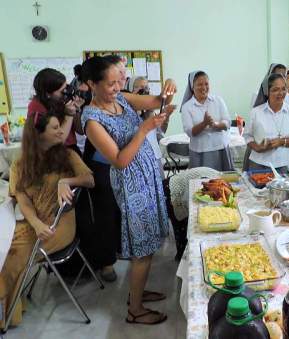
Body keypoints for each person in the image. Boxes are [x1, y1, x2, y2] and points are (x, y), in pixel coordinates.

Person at [81, 56, 176, 325]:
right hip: (132, 184)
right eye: (111, 83)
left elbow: (158, 101)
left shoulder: (121, 98)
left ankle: (138, 291)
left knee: (149, 240)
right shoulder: (91, 121)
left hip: (147, 175)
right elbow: (120, 160)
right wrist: (144, 129)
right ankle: (135, 309)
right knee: (142, 248)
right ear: (91, 84)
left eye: (119, 81)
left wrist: (168, 88)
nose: (117, 87)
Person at [0, 110, 94, 330]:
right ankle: (9, 310)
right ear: (38, 135)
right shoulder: (21, 163)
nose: (61, 131)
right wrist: (35, 223)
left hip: (59, 226)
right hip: (35, 223)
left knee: (12, 258)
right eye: (55, 128)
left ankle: (4, 316)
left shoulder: (67, 156)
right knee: (4, 250)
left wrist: (66, 181)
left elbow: (89, 180)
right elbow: (22, 200)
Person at [244, 73, 289, 170]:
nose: (280, 93)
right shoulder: (256, 112)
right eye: (275, 90)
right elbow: (247, 136)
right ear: (267, 92)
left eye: (283, 89)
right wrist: (257, 147)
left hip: (286, 164)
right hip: (259, 164)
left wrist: (282, 142)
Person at [163, 167, 220, 260]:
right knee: (181, 227)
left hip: (176, 187)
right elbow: (188, 198)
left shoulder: (215, 176)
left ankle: (183, 256)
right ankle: (183, 258)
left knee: (183, 226)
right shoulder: (208, 181)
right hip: (170, 190)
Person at [181, 70, 234, 171]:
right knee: (202, 183)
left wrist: (216, 125)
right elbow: (189, 132)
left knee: (224, 183)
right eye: (199, 84)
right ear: (192, 87)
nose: (204, 87)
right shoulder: (187, 107)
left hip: (220, 149)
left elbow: (228, 122)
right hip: (200, 152)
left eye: (206, 84)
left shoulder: (218, 100)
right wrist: (204, 123)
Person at [27, 68, 85, 155]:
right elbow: (58, 139)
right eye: (62, 91)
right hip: (53, 153)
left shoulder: (60, 100)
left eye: (67, 87)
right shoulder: (36, 107)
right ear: (48, 94)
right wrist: (69, 115)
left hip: (71, 149)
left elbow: (80, 130)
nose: (66, 93)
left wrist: (76, 110)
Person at [127, 76, 173, 178]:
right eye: (139, 88)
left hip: (155, 156)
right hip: (138, 160)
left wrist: (166, 117)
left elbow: (161, 132)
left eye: (146, 87)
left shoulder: (150, 110)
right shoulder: (126, 111)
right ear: (130, 91)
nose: (144, 91)